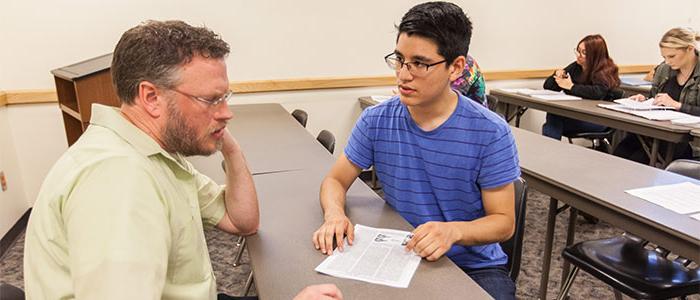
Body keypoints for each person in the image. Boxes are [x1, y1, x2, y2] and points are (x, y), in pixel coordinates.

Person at [23, 20, 341, 300]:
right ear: (151, 98)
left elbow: (242, 221)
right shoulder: (119, 178)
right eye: (211, 99)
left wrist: (229, 148)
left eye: (225, 98)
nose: (226, 112)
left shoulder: (155, 153)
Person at [311, 2, 520, 299]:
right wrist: (334, 214)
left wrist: (454, 231)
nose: (403, 75)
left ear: (456, 67)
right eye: (399, 59)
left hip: (472, 267)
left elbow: (503, 222)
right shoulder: (376, 120)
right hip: (402, 255)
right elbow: (335, 180)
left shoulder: (490, 132)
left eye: (420, 63)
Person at [614, 27, 700, 164]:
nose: (667, 62)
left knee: (638, 160)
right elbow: (656, 98)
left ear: (690, 49)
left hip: (685, 140)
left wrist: (677, 105)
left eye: (671, 56)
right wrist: (645, 101)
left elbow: (675, 104)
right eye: (664, 57)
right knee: (620, 153)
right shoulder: (664, 69)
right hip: (657, 131)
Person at [541, 34, 621, 141]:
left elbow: (597, 93)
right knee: (554, 115)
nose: (579, 55)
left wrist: (571, 87)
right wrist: (557, 74)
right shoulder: (576, 66)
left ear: (595, 55)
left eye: (584, 53)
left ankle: (550, 150)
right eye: (578, 51)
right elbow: (548, 86)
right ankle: (550, 149)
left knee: (553, 123)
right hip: (579, 115)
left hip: (599, 120)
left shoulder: (606, 70)